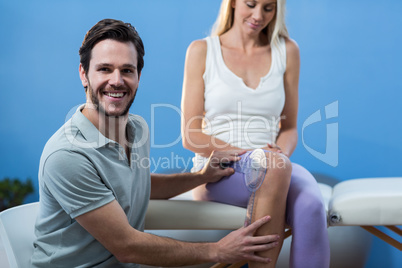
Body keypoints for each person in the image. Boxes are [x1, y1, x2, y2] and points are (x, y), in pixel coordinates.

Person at [31, 19, 281, 267]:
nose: (117, 80)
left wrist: (202, 176)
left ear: (139, 75)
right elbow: (127, 247)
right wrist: (218, 251)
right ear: (84, 74)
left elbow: (137, 185)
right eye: (105, 69)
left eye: (127, 70)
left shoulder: (137, 129)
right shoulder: (68, 155)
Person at [181, 0, 330, 267]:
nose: (258, 15)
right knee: (272, 167)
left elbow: (290, 127)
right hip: (220, 169)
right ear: (234, 3)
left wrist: (278, 155)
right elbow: (191, 134)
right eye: (250, 4)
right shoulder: (202, 51)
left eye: (269, 8)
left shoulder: (287, 50)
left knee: (312, 206)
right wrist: (253, 156)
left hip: (274, 164)